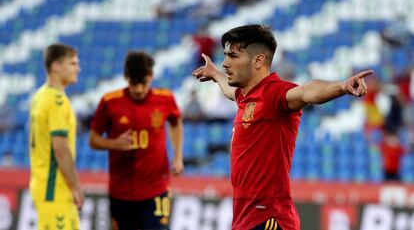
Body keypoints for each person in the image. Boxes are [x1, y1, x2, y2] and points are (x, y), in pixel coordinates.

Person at [193, 24, 373, 230]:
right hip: (247, 218)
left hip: (269, 217)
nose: (225, 63)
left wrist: (341, 87)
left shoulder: (274, 93)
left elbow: (306, 92)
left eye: (233, 56)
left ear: (258, 60)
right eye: (225, 56)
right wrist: (215, 74)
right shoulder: (246, 97)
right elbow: (228, 91)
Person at [89, 51, 184, 230]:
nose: (139, 89)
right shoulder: (110, 102)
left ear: (151, 76)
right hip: (121, 191)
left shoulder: (165, 99)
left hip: (157, 189)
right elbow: (93, 140)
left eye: (143, 83)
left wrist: (178, 156)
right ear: (126, 77)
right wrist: (113, 143)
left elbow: (176, 122)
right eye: (134, 83)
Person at [29, 44, 83, 230]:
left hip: (44, 185)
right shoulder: (56, 101)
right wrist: (75, 186)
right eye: (73, 63)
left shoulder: (40, 95)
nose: (78, 68)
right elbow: (60, 149)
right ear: (56, 66)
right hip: (55, 188)